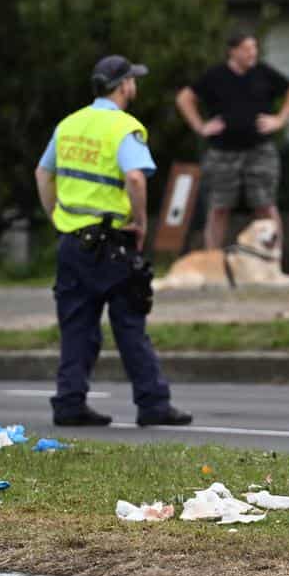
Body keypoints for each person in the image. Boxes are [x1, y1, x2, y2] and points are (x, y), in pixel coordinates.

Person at [35, 55, 192, 428]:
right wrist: (139, 222)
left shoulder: (69, 124)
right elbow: (136, 179)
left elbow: (43, 173)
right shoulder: (124, 127)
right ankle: (152, 403)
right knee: (129, 323)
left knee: (76, 326)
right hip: (112, 244)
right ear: (123, 86)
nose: (134, 86)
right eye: (133, 80)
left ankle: (69, 403)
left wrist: (57, 215)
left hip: (72, 242)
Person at [175, 30, 289, 250]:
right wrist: (200, 125)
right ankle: (213, 262)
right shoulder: (216, 76)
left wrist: (280, 119)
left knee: (265, 205)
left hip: (260, 150)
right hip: (223, 152)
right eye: (246, 49)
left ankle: (273, 261)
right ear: (232, 51)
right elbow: (184, 98)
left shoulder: (263, 73)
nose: (252, 53)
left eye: (254, 48)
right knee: (219, 208)